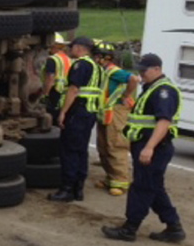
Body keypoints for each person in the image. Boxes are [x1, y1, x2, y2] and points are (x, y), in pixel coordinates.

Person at [102, 53, 186, 242]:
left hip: (155, 148)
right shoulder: (152, 88)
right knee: (154, 188)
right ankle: (174, 227)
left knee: (141, 187)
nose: (141, 75)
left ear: (157, 69)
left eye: (144, 71)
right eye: (139, 71)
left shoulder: (163, 91)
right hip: (149, 146)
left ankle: (129, 229)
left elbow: (164, 121)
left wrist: (149, 147)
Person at [49, 36, 103, 202]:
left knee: (69, 151)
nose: (70, 49)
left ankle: (67, 189)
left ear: (80, 48)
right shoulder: (97, 67)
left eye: (72, 47)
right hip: (89, 113)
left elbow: (73, 90)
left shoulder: (81, 65)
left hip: (77, 112)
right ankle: (78, 189)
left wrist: (63, 112)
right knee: (81, 151)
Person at [93, 41, 138, 196]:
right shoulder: (102, 71)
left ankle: (120, 181)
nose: (95, 59)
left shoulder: (114, 71)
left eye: (97, 56)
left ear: (105, 57)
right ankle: (110, 178)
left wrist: (126, 95)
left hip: (117, 111)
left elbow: (134, 79)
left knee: (116, 145)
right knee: (103, 146)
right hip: (105, 112)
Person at [40, 33, 72, 125]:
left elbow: (50, 79)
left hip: (54, 92)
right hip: (65, 94)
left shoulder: (52, 59)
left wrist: (44, 95)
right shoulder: (68, 59)